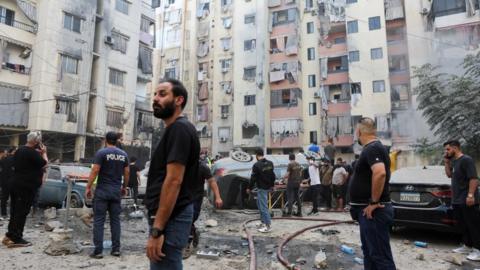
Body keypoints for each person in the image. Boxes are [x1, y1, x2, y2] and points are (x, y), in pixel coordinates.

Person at [144, 79, 201, 270]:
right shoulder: (174, 129)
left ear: (178, 100)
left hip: (171, 218)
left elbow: (174, 181)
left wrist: (157, 230)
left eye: (162, 94)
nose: (155, 99)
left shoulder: (179, 129)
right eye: (154, 94)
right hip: (170, 216)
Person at [349, 117, 396, 270]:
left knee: (379, 256)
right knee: (370, 253)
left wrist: (374, 202)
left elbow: (380, 173)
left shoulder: (372, 148)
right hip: (367, 212)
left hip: (373, 213)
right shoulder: (373, 148)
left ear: (359, 131)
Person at [86, 132, 130, 259]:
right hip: (116, 192)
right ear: (116, 140)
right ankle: (116, 250)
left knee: (99, 221)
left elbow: (95, 170)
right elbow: (127, 172)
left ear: (106, 140)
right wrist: (124, 187)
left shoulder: (102, 153)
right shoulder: (123, 155)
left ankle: (98, 251)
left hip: (102, 192)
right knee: (115, 221)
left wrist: (88, 187)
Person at [2, 131, 48, 248]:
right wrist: (44, 153)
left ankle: (10, 235)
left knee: (14, 211)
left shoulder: (20, 150)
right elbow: (45, 164)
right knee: (21, 212)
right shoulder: (32, 153)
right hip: (25, 187)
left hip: (16, 184)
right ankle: (17, 238)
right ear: (37, 142)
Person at [444, 140, 480, 261]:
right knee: (463, 224)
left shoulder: (466, 160)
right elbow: (449, 175)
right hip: (457, 199)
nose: (446, 152)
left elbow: (474, 179)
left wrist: (470, 195)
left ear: (455, 148)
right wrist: (446, 162)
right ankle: (467, 246)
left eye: (448, 149)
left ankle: (478, 250)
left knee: (473, 224)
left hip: (467, 198)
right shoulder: (454, 161)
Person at [184, 160, 223, 258]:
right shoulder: (182, 164)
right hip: (183, 198)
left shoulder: (203, 167)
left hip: (196, 199)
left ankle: (191, 237)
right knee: (186, 221)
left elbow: (212, 181)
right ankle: (187, 244)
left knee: (191, 219)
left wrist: (218, 197)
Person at [246, 149, 275, 233]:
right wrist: (272, 185)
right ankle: (263, 222)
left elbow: (253, 178)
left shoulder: (256, 165)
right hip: (267, 187)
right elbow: (273, 175)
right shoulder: (270, 163)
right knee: (260, 204)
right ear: (263, 154)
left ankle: (268, 225)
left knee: (263, 206)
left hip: (262, 188)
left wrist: (249, 188)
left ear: (256, 155)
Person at [1, 147, 15, 218]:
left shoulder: (3, 159)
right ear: (13, 151)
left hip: (4, 182)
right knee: (13, 199)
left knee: (4, 198)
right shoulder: (15, 160)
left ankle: (3, 213)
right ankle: (12, 214)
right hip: (13, 182)